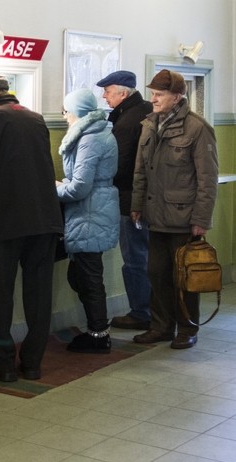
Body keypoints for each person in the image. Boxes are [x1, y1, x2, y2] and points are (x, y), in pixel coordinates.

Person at [0, 74, 64, 381]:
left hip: (6, 220)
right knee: (39, 294)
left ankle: (4, 364)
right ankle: (32, 363)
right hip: (45, 218)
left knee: (1, 294)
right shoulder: (36, 119)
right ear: (7, 92)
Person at [130, 69, 219, 349]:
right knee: (156, 273)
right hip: (155, 216)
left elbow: (207, 179)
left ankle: (186, 329)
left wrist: (201, 220)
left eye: (159, 95)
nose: (153, 99)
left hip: (184, 218)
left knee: (183, 276)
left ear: (177, 97)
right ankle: (161, 326)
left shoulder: (197, 128)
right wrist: (136, 205)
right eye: (152, 94)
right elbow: (140, 171)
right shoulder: (149, 124)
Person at [57, 89, 120, 354]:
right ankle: (97, 330)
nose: (64, 116)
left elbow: (79, 188)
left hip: (90, 212)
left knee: (89, 277)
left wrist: (52, 188)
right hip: (93, 210)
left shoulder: (89, 139)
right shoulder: (97, 132)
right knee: (82, 275)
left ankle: (98, 335)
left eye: (65, 111)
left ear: (76, 112)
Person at [97, 70, 153, 331]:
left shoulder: (127, 122)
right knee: (147, 256)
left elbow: (120, 165)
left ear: (123, 93)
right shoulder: (145, 111)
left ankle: (141, 312)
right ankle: (153, 310)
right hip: (147, 198)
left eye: (108, 92)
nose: (104, 97)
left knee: (134, 258)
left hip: (130, 200)